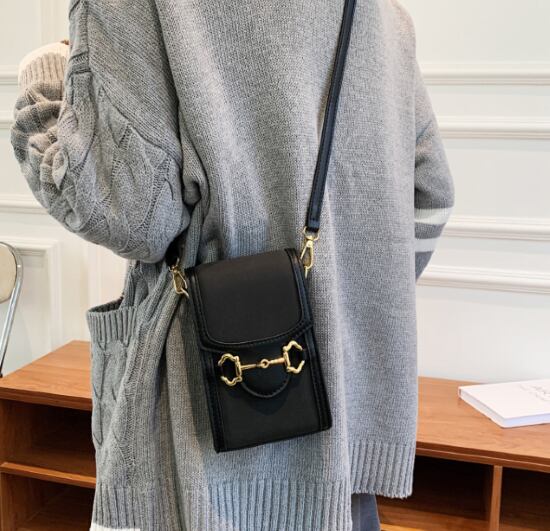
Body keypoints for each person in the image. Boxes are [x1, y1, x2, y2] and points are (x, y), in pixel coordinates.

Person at [11, 0, 454, 529]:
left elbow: (128, 215)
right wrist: (327, 314)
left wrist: (43, 80)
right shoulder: (381, 16)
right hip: (339, 447)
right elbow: (430, 197)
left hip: (202, 458)